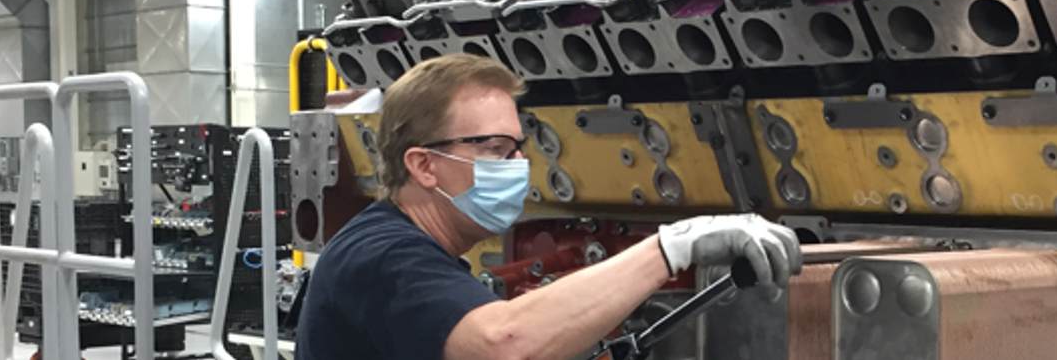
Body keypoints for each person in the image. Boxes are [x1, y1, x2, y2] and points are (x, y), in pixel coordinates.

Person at [295, 53, 802, 360]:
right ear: (424, 166)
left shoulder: (416, 250)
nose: (517, 164)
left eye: (518, 147)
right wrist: (671, 247)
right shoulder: (381, 255)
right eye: (494, 149)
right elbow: (503, 344)